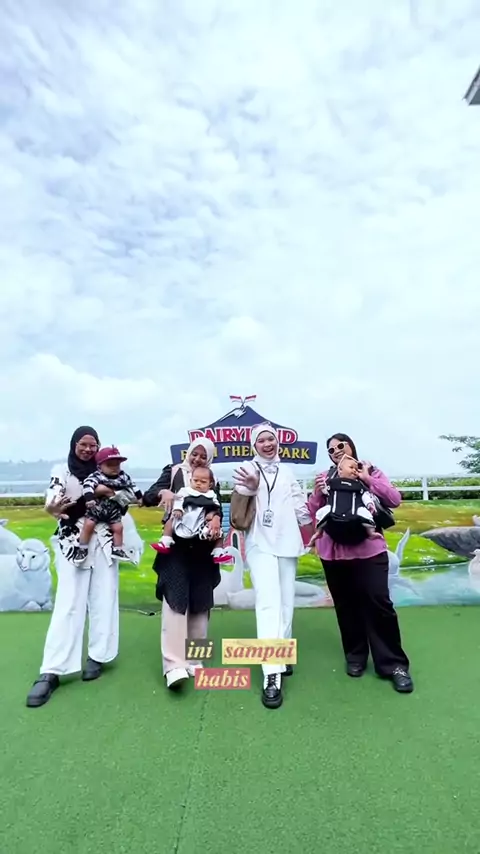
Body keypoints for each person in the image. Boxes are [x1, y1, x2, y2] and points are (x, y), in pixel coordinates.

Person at [25, 426, 142, 708]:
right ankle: (52, 669)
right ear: (74, 444)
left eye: (93, 445)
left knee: (104, 598)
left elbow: (127, 499)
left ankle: (99, 655)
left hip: (104, 542)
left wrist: (106, 491)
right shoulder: (62, 471)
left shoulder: (109, 470)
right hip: (73, 542)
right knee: (68, 603)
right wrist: (53, 507)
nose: (88, 449)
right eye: (83, 444)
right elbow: (54, 499)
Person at [308, 432, 413, 693]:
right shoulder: (324, 477)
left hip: (369, 551)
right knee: (346, 607)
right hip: (333, 552)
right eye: (331, 450)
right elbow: (313, 511)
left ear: (351, 446)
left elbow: (394, 499)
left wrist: (366, 479)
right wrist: (317, 493)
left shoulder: (371, 470)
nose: (336, 451)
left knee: (380, 603)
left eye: (340, 446)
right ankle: (355, 656)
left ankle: (393, 664)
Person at [232, 423, 313, 710]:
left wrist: (312, 529)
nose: (268, 444)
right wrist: (251, 487)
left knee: (286, 601)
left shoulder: (287, 471)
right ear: (254, 445)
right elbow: (239, 502)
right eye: (261, 440)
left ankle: (284, 651)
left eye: (271, 439)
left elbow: (299, 504)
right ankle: (272, 672)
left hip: (287, 541)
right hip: (259, 542)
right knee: (268, 603)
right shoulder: (247, 468)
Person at [142, 438, 224, 689]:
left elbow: (217, 508)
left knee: (201, 605)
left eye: (203, 455)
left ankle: (196, 660)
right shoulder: (173, 471)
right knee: (175, 605)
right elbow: (148, 497)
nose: (197, 459)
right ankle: (174, 666)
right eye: (194, 454)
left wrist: (215, 519)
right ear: (188, 453)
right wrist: (163, 493)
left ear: (209, 458)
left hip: (202, 550)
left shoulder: (212, 479)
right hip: (176, 549)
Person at [73, 446, 143, 566]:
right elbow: (87, 486)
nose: (114, 468)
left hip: (113, 510)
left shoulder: (123, 477)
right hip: (97, 508)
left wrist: (140, 497)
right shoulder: (96, 476)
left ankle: (117, 549)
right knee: (88, 525)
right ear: (99, 466)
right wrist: (89, 499)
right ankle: (82, 548)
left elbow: (133, 486)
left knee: (118, 528)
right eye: (110, 465)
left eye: (117, 465)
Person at [151, 465, 232, 564]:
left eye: (203, 482)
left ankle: (218, 552)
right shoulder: (185, 491)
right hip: (184, 521)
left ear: (210, 484)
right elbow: (178, 500)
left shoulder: (211, 495)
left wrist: (213, 513)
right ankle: (166, 541)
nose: (198, 483)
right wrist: (178, 509)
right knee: (170, 521)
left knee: (219, 533)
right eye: (195, 480)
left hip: (201, 525)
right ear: (190, 480)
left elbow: (216, 507)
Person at [308, 454, 377, 546]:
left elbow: (365, 495)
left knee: (366, 514)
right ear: (340, 470)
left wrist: (370, 504)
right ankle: (318, 532)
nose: (354, 470)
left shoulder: (359, 484)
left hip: (355, 510)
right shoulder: (332, 482)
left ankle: (371, 532)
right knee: (320, 513)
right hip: (333, 508)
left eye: (356, 469)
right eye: (351, 467)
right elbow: (326, 492)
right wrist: (321, 487)